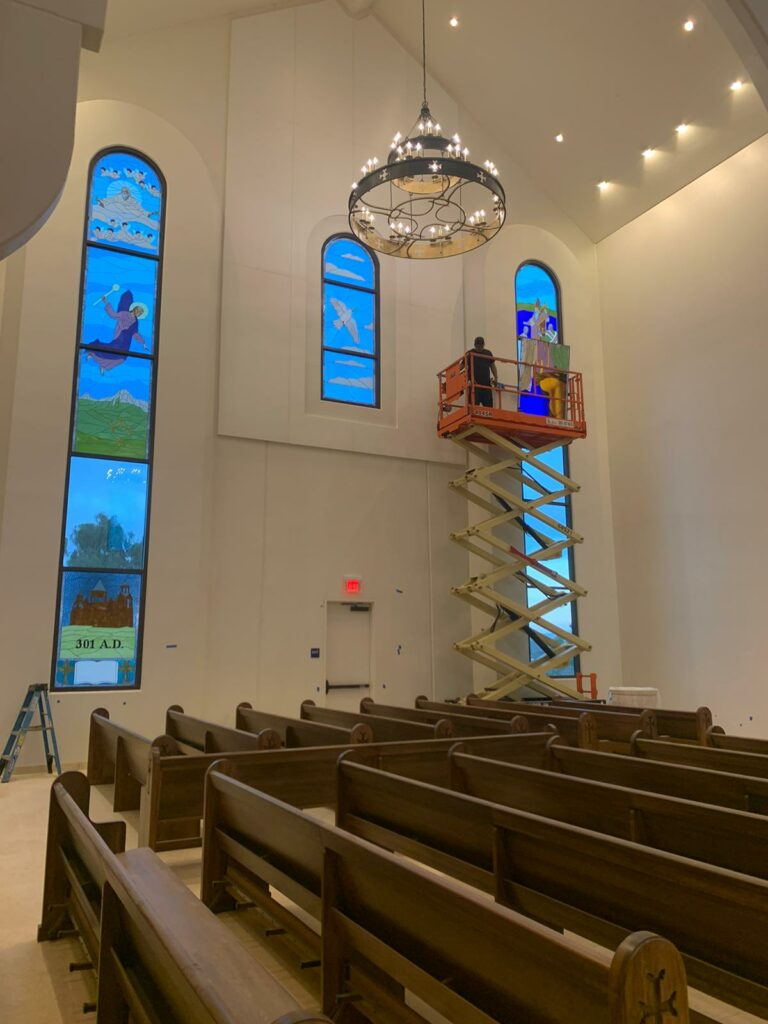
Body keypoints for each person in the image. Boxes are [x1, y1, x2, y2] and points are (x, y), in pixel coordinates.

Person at [468, 336, 498, 407]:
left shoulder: (488, 353)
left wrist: (496, 378)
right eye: (478, 345)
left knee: (489, 407)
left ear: (483, 344)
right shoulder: (470, 353)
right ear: (475, 345)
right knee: (474, 407)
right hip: (474, 385)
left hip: (486, 385)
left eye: (481, 345)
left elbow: (493, 366)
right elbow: (462, 366)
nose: (479, 347)